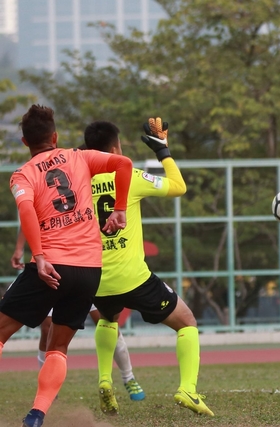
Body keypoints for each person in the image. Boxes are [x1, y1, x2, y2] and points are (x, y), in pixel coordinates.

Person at [0, 104, 132, 427]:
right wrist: (120, 209)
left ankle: (37, 414)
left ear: (24, 141)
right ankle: (37, 414)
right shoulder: (79, 157)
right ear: (55, 137)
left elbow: (27, 211)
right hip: (89, 270)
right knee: (58, 347)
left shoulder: (23, 174)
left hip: (51, 265)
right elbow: (124, 163)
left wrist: (39, 255)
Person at [84, 119, 214, 417]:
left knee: (108, 319)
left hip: (97, 278)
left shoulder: (78, 182)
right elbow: (178, 187)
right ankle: (188, 389)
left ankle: (105, 380)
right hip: (134, 278)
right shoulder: (129, 176)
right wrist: (163, 152)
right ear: (115, 149)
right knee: (187, 322)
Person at [12, 230, 146, 401]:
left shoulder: (86, 213)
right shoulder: (48, 212)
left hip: (84, 269)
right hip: (55, 267)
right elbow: (29, 218)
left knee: (106, 321)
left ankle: (129, 377)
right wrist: (19, 248)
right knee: (47, 328)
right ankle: (47, 384)